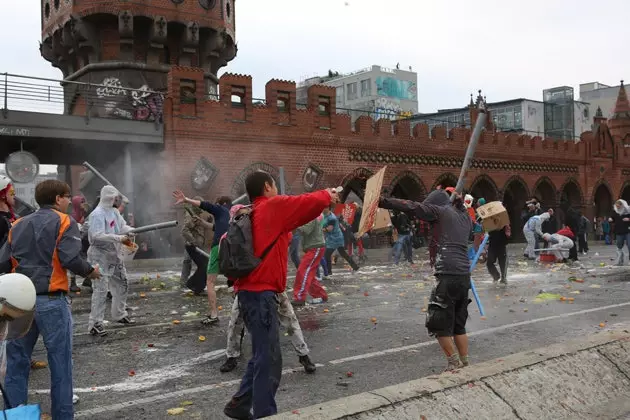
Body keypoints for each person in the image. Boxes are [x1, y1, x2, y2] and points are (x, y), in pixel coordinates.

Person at [223, 171, 337, 420]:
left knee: (262, 353)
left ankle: (239, 404)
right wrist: (328, 194)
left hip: (249, 292)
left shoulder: (250, 213)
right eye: (274, 185)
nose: (277, 190)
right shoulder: (270, 206)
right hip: (260, 294)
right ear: (267, 186)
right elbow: (304, 204)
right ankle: (265, 414)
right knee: (270, 358)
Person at [0, 180, 101, 419]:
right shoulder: (66, 221)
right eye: (67, 196)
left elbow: (2, 261)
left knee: (16, 363)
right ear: (58, 199)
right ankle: (62, 416)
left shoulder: (18, 224)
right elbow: (69, 258)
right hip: (51, 301)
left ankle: (15, 415)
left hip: (19, 303)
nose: (68, 201)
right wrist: (90, 271)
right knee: (60, 364)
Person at [379, 189, 473, 371]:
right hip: (463, 274)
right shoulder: (464, 216)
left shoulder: (440, 211)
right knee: (458, 324)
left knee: (437, 322)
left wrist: (383, 201)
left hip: (447, 271)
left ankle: (453, 363)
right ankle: (465, 363)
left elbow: (412, 207)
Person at [173, 192, 231, 325]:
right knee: (235, 278)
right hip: (232, 247)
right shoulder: (232, 214)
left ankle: (214, 314)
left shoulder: (220, 209)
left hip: (219, 246)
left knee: (210, 280)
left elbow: (205, 205)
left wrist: (186, 199)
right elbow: (215, 227)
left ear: (220, 204)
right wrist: (203, 223)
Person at [87, 185, 135, 337]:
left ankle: (119, 314)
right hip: (99, 255)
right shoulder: (97, 214)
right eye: (115, 197)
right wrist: (118, 238)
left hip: (114, 254)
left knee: (123, 282)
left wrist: (129, 230)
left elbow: (121, 226)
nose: (117, 200)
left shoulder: (114, 212)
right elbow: (96, 235)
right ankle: (95, 323)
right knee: (100, 289)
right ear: (109, 197)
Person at [292, 216, 328, 305]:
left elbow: (304, 230)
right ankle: (321, 295)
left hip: (315, 247)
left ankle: (300, 297)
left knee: (303, 271)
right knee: (309, 274)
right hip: (313, 247)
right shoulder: (309, 215)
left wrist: (291, 225)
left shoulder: (311, 216)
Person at [180, 197, 213, 288]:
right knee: (188, 261)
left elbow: (199, 226)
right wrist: (193, 241)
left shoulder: (197, 213)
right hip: (193, 244)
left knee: (202, 264)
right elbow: (184, 230)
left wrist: (207, 222)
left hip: (198, 243)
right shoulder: (190, 216)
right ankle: (186, 282)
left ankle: (194, 283)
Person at [322, 207, 359, 275]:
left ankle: (329, 272)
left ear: (327, 208)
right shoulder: (326, 215)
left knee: (327, 255)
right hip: (334, 238)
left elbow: (329, 229)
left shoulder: (332, 218)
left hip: (334, 239)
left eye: (323, 208)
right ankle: (355, 266)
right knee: (343, 253)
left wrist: (320, 229)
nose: (322, 209)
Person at [610, 200, 630, 266]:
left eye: (619, 206)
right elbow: (612, 218)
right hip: (619, 231)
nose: (618, 207)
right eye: (616, 206)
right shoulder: (615, 211)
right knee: (619, 246)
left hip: (628, 231)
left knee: (629, 245)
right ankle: (620, 261)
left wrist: (629, 219)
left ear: (622, 205)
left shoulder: (628, 211)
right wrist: (610, 219)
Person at [0, 176, 16, 246]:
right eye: (12, 192)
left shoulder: (9, 215)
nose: (14, 194)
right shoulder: (1, 220)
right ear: (3, 195)